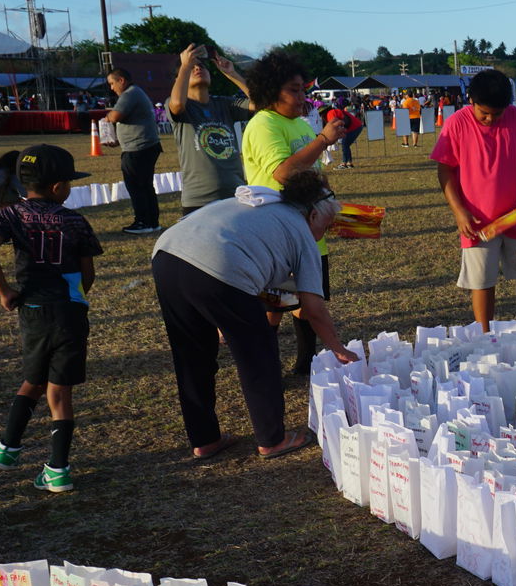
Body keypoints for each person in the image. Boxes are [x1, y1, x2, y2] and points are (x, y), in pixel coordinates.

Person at [151, 169, 357, 460]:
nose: (324, 232)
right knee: (258, 354)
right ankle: (272, 439)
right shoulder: (302, 233)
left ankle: (204, 439)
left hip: (167, 254)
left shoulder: (265, 203)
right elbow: (314, 309)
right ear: (312, 215)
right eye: (326, 224)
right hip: (219, 265)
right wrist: (338, 348)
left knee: (192, 355)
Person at [0, 145, 103, 494]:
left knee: (32, 379)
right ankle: (58, 469)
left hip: (33, 310)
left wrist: (5, 291)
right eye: (69, 183)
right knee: (60, 392)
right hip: (70, 311)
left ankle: (7, 449)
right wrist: (77, 295)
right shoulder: (75, 220)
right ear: (57, 188)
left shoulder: (10, 215)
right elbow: (87, 271)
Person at [239, 51, 350, 372]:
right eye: (295, 90)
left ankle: (305, 366)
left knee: (307, 300)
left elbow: (308, 170)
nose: (303, 97)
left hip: (309, 231)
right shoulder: (263, 125)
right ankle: (265, 368)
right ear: (272, 91)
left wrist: (328, 203)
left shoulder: (296, 123)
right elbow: (283, 173)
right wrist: (323, 140)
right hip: (278, 235)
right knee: (273, 306)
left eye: (304, 89)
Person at [430, 68, 516, 333]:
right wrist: (459, 212)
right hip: (476, 220)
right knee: (482, 281)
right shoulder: (456, 123)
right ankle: (484, 336)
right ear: (471, 101)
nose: (491, 119)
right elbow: (445, 170)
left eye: (497, 114)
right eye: (485, 114)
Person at [167, 43, 251, 215]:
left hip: (235, 194)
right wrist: (185, 66)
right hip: (198, 199)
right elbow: (177, 104)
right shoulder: (181, 105)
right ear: (179, 79)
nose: (197, 68)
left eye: (202, 66)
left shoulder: (224, 104)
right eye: (192, 68)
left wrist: (232, 74)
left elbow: (261, 103)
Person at [102, 67, 163, 234]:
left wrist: (106, 118)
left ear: (121, 80)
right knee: (145, 186)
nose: (112, 88)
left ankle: (142, 222)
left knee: (136, 186)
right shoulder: (136, 92)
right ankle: (152, 221)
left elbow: (115, 116)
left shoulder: (129, 94)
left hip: (138, 148)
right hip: (145, 146)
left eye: (112, 83)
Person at [325, 99, 362, 167]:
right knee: (345, 145)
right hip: (357, 126)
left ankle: (344, 163)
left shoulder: (330, 113)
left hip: (353, 127)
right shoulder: (333, 111)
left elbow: (335, 125)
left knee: (344, 144)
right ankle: (349, 163)